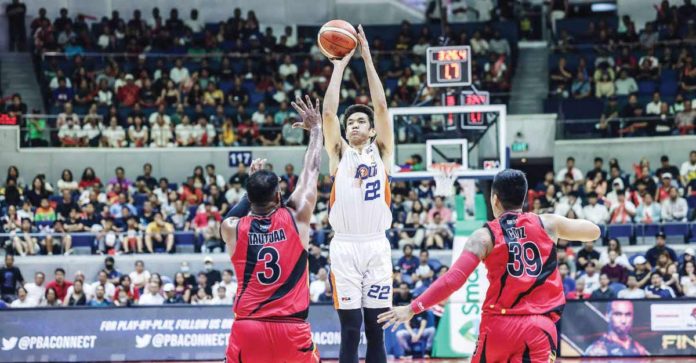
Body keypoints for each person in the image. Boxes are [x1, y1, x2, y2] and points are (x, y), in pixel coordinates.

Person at [378, 169, 601, 363]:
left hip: (499, 326)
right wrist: (557, 227)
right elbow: (594, 231)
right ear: (523, 198)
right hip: (540, 327)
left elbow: (452, 280)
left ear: (494, 200)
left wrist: (412, 308)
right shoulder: (548, 223)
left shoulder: (484, 236)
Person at [220, 96, 322, 363]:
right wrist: (316, 130)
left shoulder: (232, 228)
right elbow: (311, 173)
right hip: (291, 327)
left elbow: (234, 214)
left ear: (248, 196)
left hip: (248, 327)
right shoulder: (296, 217)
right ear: (278, 196)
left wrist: (251, 185)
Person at [323, 25, 395, 363]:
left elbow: (380, 105)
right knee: (350, 331)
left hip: (376, 245)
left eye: (359, 122)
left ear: (370, 130)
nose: (353, 124)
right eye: (350, 121)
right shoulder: (338, 153)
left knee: (376, 330)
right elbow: (327, 114)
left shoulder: (382, 151)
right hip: (345, 247)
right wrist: (338, 67)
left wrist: (366, 57)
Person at [584, 301, 649, 356]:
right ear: (608, 316)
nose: (623, 321)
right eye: (618, 314)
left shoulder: (639, 349)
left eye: (628, 315)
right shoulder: (597, 351)